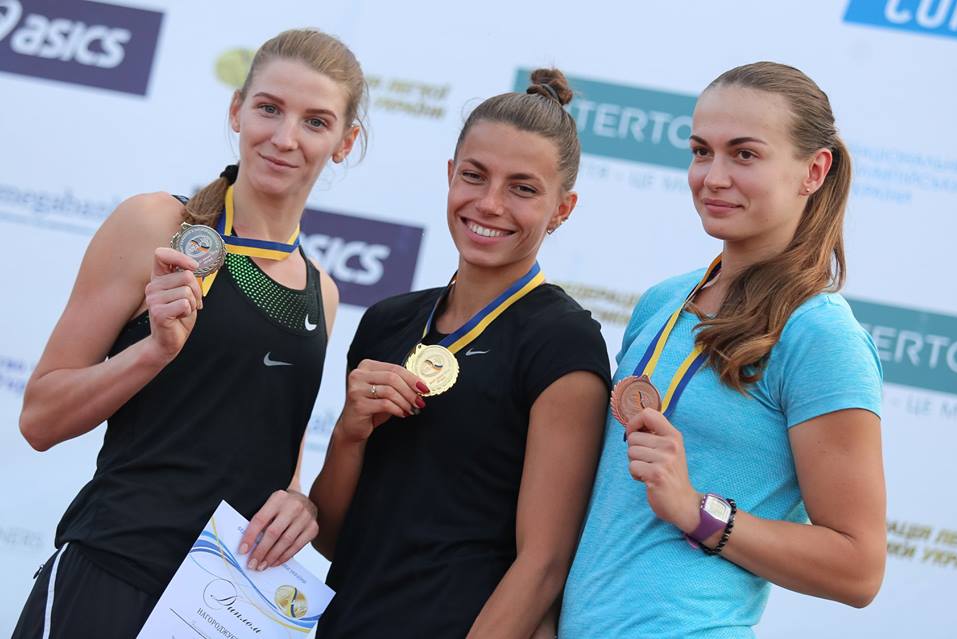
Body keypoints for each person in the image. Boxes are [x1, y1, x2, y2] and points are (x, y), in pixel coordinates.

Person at [13, 28, 366, 638]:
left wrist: (299, 503)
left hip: (220, 611)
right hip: (109, 575)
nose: (285, 138)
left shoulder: (322, 293)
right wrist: (153, 352)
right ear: (237, 110)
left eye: (315, 122)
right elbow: (40, 419)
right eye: (269, 109)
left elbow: (272, 462)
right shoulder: (156, 224)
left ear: (344, 143)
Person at [559, 62, 886, 638]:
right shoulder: (664, 300)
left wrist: (696, 511)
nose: (712, 177)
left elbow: (858, 569)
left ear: (813, 171)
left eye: (744, 154)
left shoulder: (821, 337)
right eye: (701, 151)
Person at [309, 69, 611, 638]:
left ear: (563, 208)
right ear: (450, 175)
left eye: (523, 188)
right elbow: (330, 537)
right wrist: (349, 432)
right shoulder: (387, 321)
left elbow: (544, 564)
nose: (490, 204)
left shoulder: (563, 341)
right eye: (474, 176)